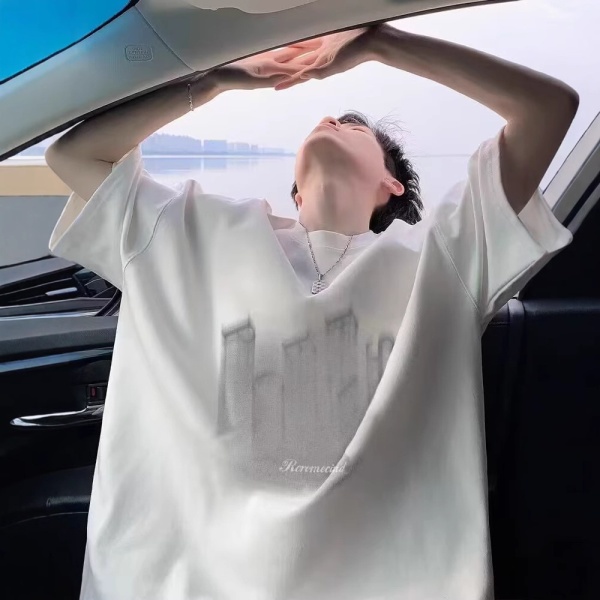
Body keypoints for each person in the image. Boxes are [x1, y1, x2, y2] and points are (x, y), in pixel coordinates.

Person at [46, 23, 577, 600]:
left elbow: (548, 108)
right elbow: (73, 154)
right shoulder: (195, 229)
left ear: (392, 185)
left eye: (354, 126)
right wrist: (215, 78)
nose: (330, 119)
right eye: (327, 121)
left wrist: (380, 43)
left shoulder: (444, 255)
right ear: (295, 192)